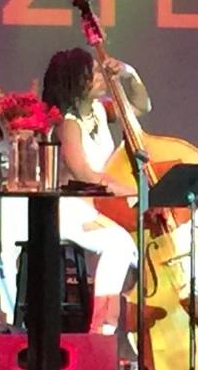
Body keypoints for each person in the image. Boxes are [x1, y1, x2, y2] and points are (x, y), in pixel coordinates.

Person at [41, 47, 147, 335]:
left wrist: (129, 73)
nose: (101, 77)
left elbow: (140, 107)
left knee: (140, 241)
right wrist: (127, 190)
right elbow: (83, 173)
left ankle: (132, 323)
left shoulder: (100, 110)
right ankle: (102, 328)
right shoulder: (67, 123)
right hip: (71, 208)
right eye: (94, 74)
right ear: (75, 81)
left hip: (101, 203)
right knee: (119, 244)